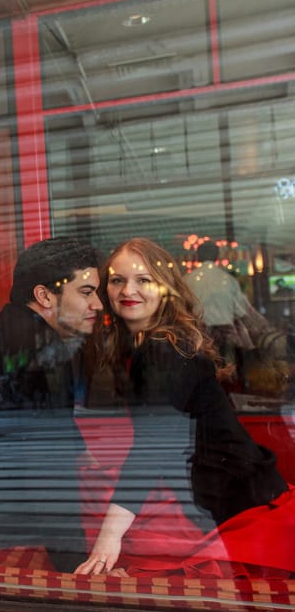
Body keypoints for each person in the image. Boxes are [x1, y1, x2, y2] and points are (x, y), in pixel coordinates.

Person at [77, 238, 295, 577]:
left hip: (238, 506)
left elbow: (154, 444)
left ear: (166, 288)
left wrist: (109, 536)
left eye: (143, 280)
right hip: (222, 494)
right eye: (117, 280)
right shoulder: (147, 342)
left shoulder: (164, 347)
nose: (126, 289)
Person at [0, 237, 103, 573]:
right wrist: (76, 566)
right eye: (86, 292)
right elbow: (49, 471)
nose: (98, 304)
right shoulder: (43, 353)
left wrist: (78, 449)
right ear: (45, 296)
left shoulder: (9, 334)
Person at [184, 240, 251, 388]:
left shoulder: (187, 280)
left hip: (198, 338)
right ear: (217, 256)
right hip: (226, 337)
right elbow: (240, 311)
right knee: (230, 375)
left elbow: (182, 310)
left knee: (200, 378)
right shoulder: (229, 280)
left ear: (197, 256)